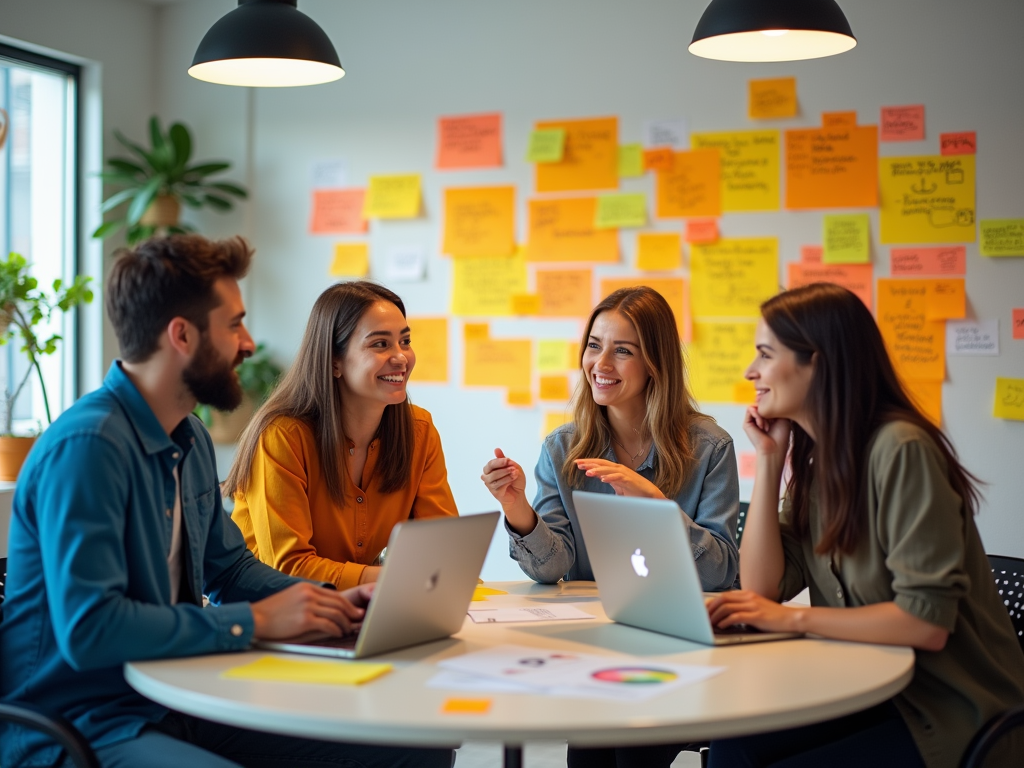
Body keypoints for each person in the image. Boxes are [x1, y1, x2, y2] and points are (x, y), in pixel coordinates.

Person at [0, 235, 453, 768]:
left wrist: (322, 600)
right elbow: (91, 629)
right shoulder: (89, 448)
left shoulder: (186, 436)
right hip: (80, 722)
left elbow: (229, 567)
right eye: (234, 324)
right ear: (183, 335)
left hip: (174, 694)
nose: (249, 343)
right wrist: (254, 623)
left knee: (411, 747)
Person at [706, 283, 1024, 768]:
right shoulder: (820, 463)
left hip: (953, 712)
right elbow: (762, 586)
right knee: (733, 749)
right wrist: (769, 462)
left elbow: (926, 623)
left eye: (766, 355)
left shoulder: (901, 450)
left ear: (819, 363)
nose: (751, 372)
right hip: (873, 690)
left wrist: (792, 618)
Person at [481, 285, 740, 768]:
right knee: (595, 746)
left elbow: (722, 572)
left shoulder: (710, 447)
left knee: (627, 746)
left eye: (623, 351)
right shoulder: (563, 448)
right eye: (595, 345)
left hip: (678, 644)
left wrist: (659, 509)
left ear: (655, 365)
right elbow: (553, 567)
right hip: (596, 644)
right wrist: (518, 508)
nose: (601, 363)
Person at [227, 281, 458, 589]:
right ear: (334, 361)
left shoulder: (419, 430)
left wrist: (430, 575)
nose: (401, 357)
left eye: (405, 341)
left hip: (362, 610)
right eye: (380, 344)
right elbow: (288, 568)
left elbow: (441, 551)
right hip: (271, 616)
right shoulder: (281, 437)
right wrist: (398, 578)